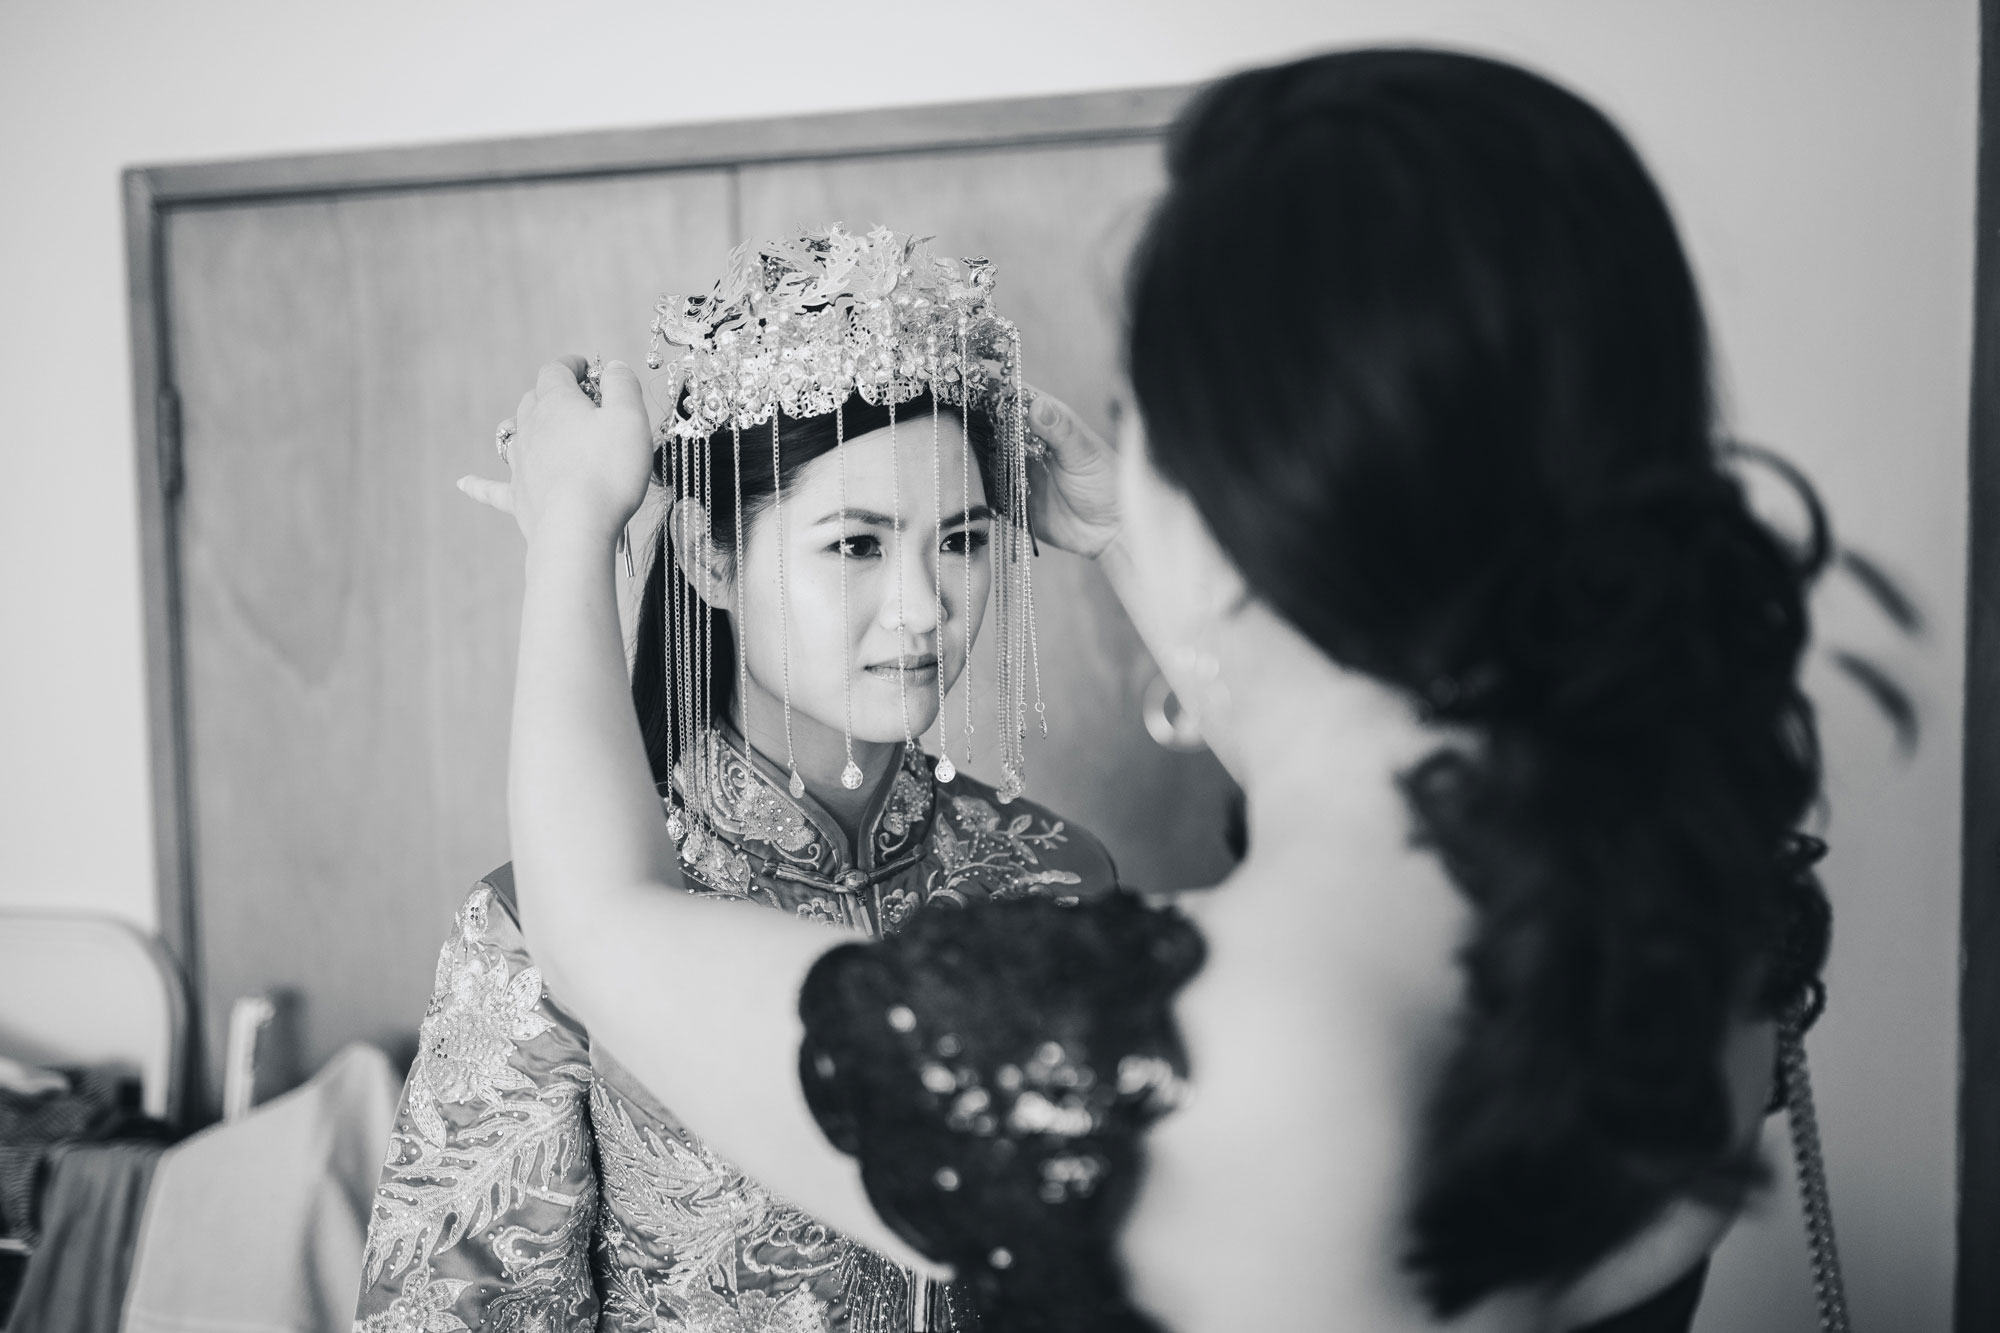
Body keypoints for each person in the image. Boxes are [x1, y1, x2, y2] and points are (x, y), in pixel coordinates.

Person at [482, 50, 1840, 1332]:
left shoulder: (1150, 1054)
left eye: (1138, 434)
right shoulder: (1709, 927)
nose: (926, 596)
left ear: (1232, 516)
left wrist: (569, 533)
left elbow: (597, 917)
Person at [354, 228, 1117, 1332]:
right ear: (711, 556)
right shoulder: (533, 930)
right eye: (856, 545)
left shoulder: (1055, 877)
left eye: (956, 539)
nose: (922, 605)